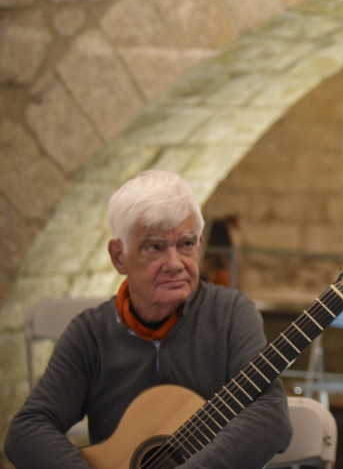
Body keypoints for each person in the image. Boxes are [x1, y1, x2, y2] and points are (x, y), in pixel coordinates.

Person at [5, 170, 292, 468]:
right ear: (119, 256)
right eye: (154, 247)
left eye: (186, 244)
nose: (174, 264)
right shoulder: (90, 333)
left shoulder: (232, 314)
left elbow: (270, 415)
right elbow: (27, 429)